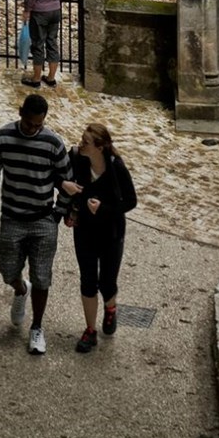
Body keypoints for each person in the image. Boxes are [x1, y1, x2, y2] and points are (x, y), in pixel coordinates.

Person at [0, 91, 70, 355]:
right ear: (20, 113)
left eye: (38, 125)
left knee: (42, 277)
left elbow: (67, 180)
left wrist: (58, 213)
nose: (33, 129)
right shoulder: (2, 138)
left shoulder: (53, 142)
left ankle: (37, 328)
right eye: (29, 123)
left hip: (43, 219)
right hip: (13, 218)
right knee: (8, 270)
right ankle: (20, 290)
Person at [61, 120, 137, 353]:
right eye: (81, 140)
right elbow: (66, 185)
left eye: (86, 142)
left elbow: (131, 201)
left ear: (100, 147)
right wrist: (69, 209)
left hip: (111, 232)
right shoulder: (76, 158)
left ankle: (111, 308)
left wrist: (103, 209)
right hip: (84, 230)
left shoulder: (116, 167)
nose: (80, 144)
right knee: (87, 280)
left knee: (107, 281)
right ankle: (90, 330)